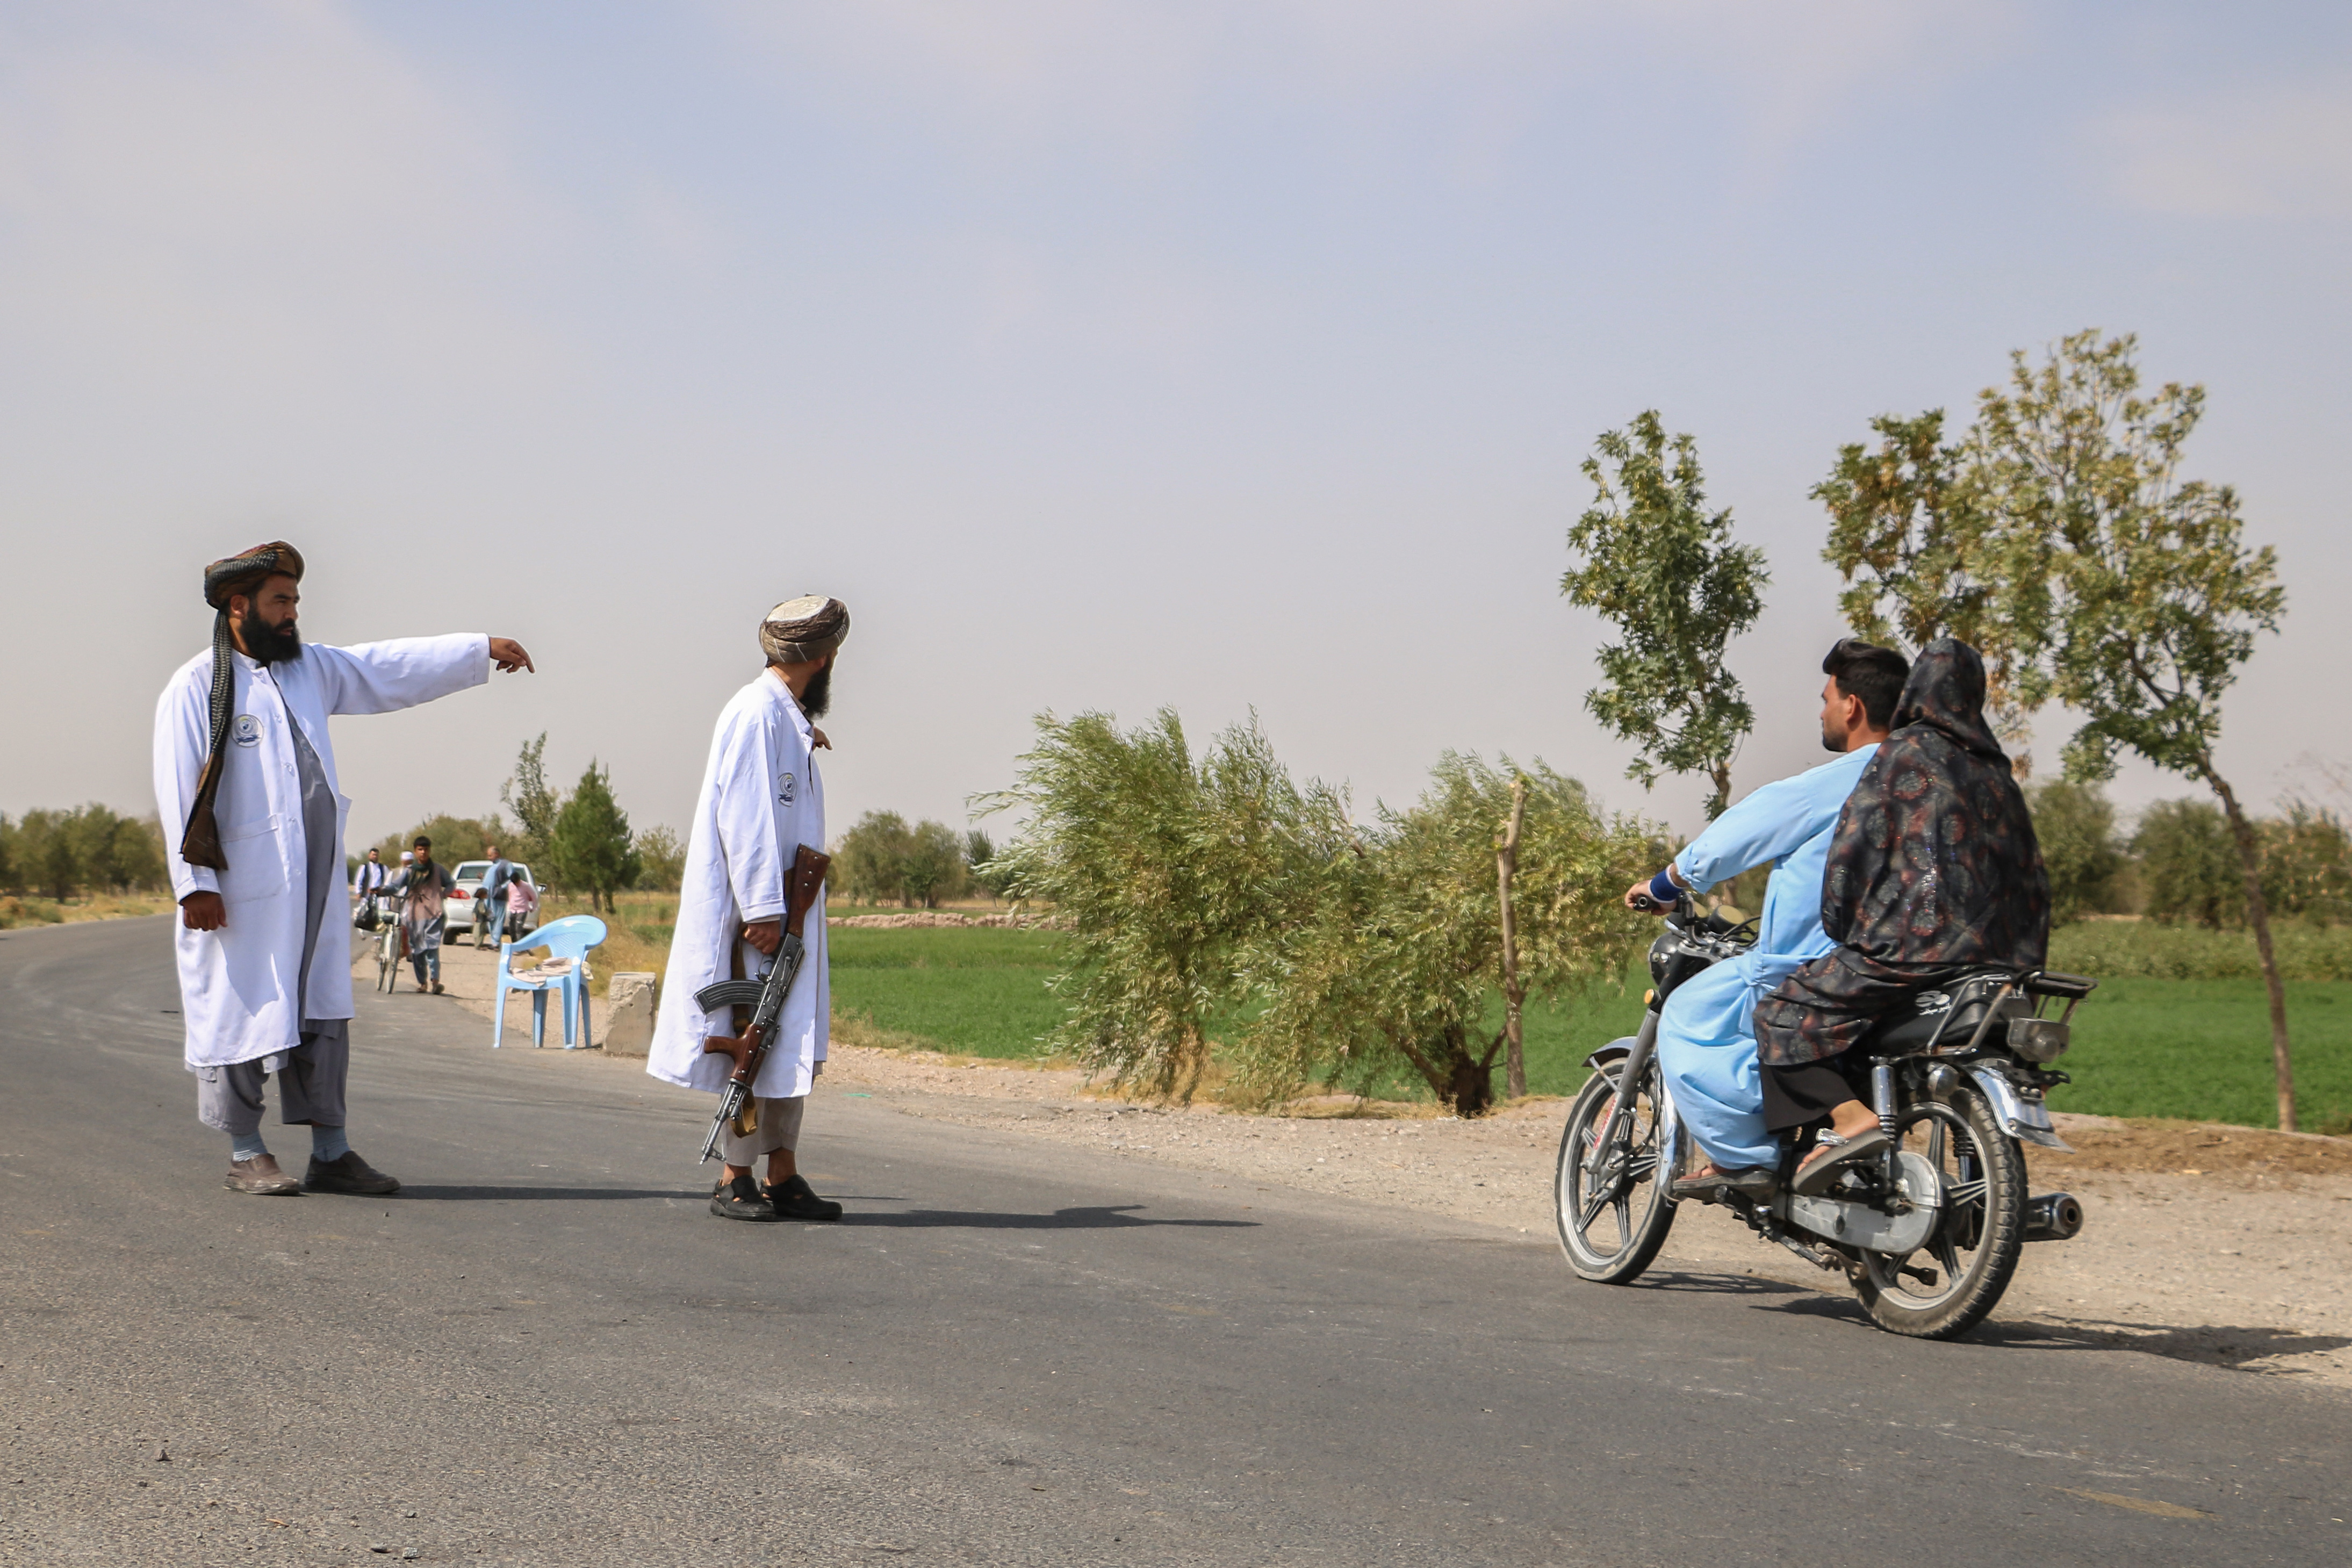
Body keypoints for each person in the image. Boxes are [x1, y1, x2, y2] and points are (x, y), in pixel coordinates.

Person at [154, 541, 534, 1196]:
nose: (293, 613)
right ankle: (246, 1152)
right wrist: (196, 886)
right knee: (240, 1011)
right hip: (240, 892)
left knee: (322, 1012)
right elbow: (178, 791)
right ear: (238, 605)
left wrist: (478, 650)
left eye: (296, 600)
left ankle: (330, 1152)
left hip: (313, 885)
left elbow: (385, 667)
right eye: (281, 601)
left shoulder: (309, 669)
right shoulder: (195, 687)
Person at [1752, 639, 2051, 1195]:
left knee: (1780, 1014)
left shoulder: (1903, 752)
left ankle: (1849, 1120)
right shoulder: (1997, 771)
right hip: (2003, 963)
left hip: (1912, 953)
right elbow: (2033, 874)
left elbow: (1852, 851)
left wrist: (1844, 928)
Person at [1625, 638, 1909, 1200]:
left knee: (1689, 1015)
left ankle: (1744, 1158)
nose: (1821, 712)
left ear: (1852, 706)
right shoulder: (1924, 783)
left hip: (1811, 964)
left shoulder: (1833, 782)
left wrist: (1663, 886)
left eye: (1826, 699)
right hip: (1907, 962)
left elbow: (1733, 838)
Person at [646, 595, 849, 1224]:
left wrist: (802, 736)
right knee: (753, 1036)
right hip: (758, 918)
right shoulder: (756, 712)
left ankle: (782, 1171)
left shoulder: (784, 717)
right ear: (824, 658)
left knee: (787, 1039)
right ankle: (735, 1176)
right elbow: (746, 816)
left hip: (792, 909)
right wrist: (761, 909)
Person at [386, 837, 457, 994]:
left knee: (432, 948)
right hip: (415, 915)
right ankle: (422, 983)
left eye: (426, 849)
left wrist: (444, 894)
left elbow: (451, 883)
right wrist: (380, 890)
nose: (423, 852)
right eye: (420, 849)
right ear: (415, 851)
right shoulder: (409, 871)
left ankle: (435, 981)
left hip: (435, 914)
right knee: (417, 950)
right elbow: (395, 886)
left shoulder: (438, 870)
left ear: (430, 851)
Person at [477, 843, 516, 948]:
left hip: (498, 896)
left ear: (497, 854)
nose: (489, 858)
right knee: (491, 917)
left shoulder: (506, 864)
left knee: (498, 918)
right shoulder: (493, 866)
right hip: (488, 896)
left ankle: (496, 943)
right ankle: (494, 941)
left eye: (490, 856)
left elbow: (512, 878)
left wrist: (502, 888)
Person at [503, 868, 538, 943]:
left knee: (518, 928)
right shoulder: (511, 886)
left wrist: (534, 907)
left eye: (517, 883)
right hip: (513, 910)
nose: (516, 885)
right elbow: (510, 895)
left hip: (522, 910)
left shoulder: (526, 886)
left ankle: (519, 945)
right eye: (514, 883)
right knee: (512, 929)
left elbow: (534, 896)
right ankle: (514, 943)